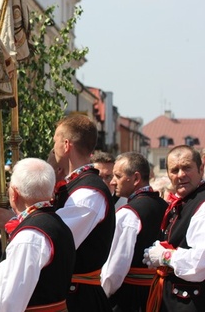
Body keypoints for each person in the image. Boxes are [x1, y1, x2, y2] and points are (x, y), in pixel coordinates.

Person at [0, 158, 76, 311]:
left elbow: (7, 303)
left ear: (14, 194)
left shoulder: (30, 236)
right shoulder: (56, 223)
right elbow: (5, 276)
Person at [52, 114, 115, 312]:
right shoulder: (75, 184)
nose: (52, 148)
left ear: (66, 144)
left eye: (55, 142)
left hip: (80, 297)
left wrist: (17, 218)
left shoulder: (88, 193)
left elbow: (56, 241)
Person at [101, 152, 167, 311]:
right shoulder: (165, 206)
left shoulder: (128, 214)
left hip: (131, 299)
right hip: (159, 294)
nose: (113, 181)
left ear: (136, 178)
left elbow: (115, 268)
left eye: (118, 175)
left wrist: (103, 295)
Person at [143, 145, 205, 311]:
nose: (181, 175)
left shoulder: (202, 204)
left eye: (187, 168)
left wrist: (165, 256)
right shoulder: (185, 201)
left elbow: (200, 262)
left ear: (201, 168)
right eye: (174, 170)